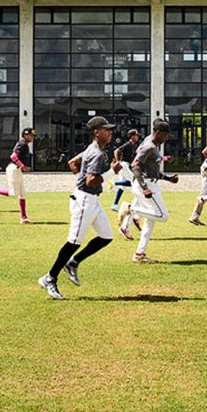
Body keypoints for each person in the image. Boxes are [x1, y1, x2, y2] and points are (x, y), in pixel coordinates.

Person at [38, 116, 117, 300]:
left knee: (106, 236)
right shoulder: (96, 153)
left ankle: (73, 263)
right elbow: (90, 181)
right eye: (106, 129)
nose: (110, 132)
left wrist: (80, 179)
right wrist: (112, 172)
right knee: (74, 241)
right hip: (85, 200)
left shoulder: (93, 149)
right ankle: (50, 277)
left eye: (110, 129)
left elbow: (72, 163)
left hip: (91, 200)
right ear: (96, 132)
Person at [121, 118, 179, 263]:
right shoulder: (148, 146)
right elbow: (135, 166)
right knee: (163, 215)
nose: (166, 139)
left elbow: (151, 170)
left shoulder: (153, 146)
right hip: (145, 185)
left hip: (151, 183)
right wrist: (145, 188)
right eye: (165, 135)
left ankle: (139, 254)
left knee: (150, 221)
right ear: (158, 132)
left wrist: (168, 178)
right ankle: (130, 208)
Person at [0, 127, 35, 223]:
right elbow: (13, 156)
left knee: (22, 194)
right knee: (12, 193)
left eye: (33, 136)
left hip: (17, 170)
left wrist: (23, 167)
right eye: (31, 135)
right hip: (13, 169)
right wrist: (23, 166)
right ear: (25, 135)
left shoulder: (24, 144)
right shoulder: (22, 144)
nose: (32, 137)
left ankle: (23, 218)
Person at [109, 128, 141, 210]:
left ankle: (115, 205)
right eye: (136, 135)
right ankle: (114, 183)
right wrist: (117, 161)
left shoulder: (134, 145)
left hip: (126, 165)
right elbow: (116, 151)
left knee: (122, 187)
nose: (138, 136)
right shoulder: (128, 144)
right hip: (124, 165)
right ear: (132, 136)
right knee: (133, 182)